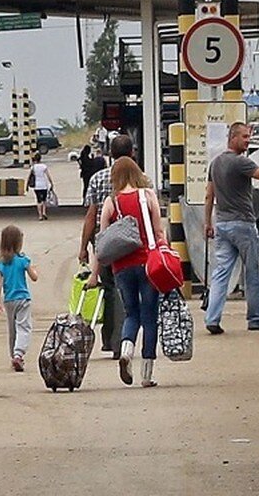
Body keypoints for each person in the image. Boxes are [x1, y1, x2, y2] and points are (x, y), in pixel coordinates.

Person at [88, 157, 165, 387]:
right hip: (147, 264)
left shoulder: (111, 202)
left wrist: (94, 273)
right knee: (150, 316)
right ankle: (147, 375)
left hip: (121, 267)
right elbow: (159, 232)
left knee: (132, 314)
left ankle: (126, 352)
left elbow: (102, 243)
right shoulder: (148, 195)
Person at [203, 122, 259, 334]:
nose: (248, 141)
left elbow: (210, 194)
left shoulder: (216, 163)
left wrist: (208, 222)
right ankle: (255, 318)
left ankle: (212, 317)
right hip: (244, 224)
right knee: (252, 272)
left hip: (222, 224)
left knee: (221, 272)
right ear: (233, 138)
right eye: (245, 137)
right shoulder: (240, 162)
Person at [78, 133, 135, 358]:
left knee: (109, 289)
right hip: (130, 242)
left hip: (104, 243)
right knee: (124, 290)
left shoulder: (97, 178)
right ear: (132, 153)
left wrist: (84, 246)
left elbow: (90, 216)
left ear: (110, 154)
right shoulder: (139, 181)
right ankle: (120, 340)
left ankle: (109, 339)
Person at [0, 225, 39, 371]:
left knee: (12, 329)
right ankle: (19, 355)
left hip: (9, 300)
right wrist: (32, 268)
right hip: (23, 298)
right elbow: (34, 277)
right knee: (24, 327)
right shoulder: (23, 260)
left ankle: (13, 356)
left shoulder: (2, 263)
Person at [28, 152, 54, 221]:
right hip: (44, 185)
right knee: (44, 200)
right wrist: (51, 183)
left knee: (38, 201)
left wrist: (27, 186)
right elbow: (48, 176)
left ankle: (40, 215)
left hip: (37, 186)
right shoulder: (44, 166)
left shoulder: (33, 167)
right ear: (40, 158)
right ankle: (44, 212)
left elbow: (29, 177)